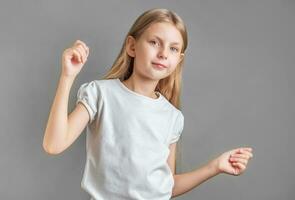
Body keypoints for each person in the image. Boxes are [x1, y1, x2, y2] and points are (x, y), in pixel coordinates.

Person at [43, 8, 254, 200]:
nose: (163, 53)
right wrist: (67, 77)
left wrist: (215, 167)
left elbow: (167, 186)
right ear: (132, 46)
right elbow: (54, 144)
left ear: (178, 60)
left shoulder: (173, 117)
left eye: (173, 49)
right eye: (154, 42)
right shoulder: (100, 94)